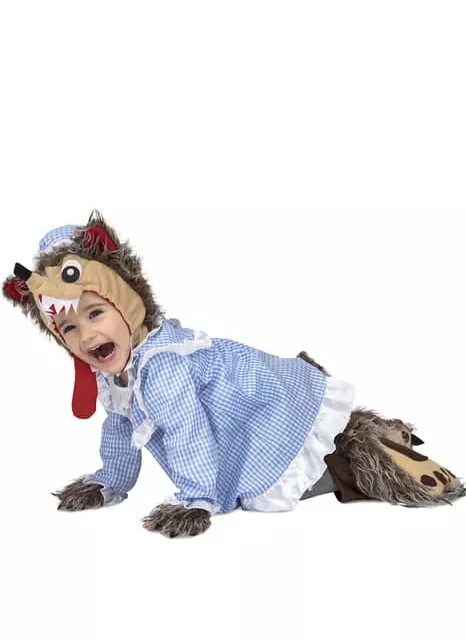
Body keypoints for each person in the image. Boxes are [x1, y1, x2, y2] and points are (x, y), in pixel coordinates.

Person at [3, 210, 356, 536]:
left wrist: (197, 499)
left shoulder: (162, 363)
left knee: (319, 473)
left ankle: (355, 463)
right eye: (69, 328)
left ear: (127, 304)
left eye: (95, 313)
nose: (86, 336)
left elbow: (187, 430)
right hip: (234, 429)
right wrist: (110, 481)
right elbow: (121, 427)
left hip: (267, 414)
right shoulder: (120, 371)